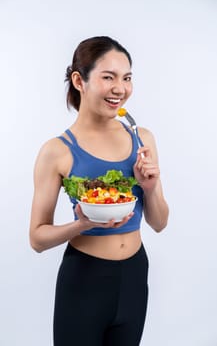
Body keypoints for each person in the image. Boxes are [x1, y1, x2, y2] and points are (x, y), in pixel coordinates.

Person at [29, 36, 169, 346]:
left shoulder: (142, 139)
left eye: (127, 77)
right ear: (79, 80)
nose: (120, 88)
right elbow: (37, 238)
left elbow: (159, 223)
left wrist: (151, 187)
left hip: (134, 274)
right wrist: (82, 224)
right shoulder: (57, 151)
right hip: (85, 279)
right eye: (108, 77)